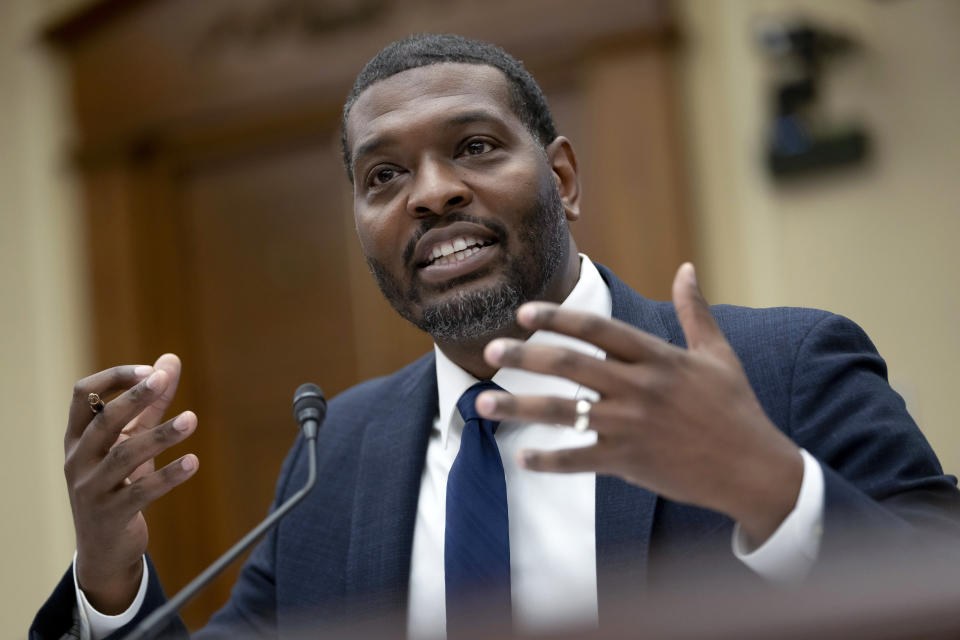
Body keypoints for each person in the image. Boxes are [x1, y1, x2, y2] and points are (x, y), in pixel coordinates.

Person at [32, 34, 960, 640]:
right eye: (384, 175)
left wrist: (772, 489)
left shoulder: (783, 369)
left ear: (561, 176)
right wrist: (109, 579)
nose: (431, 192)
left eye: (473, 147)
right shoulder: (335, 458)